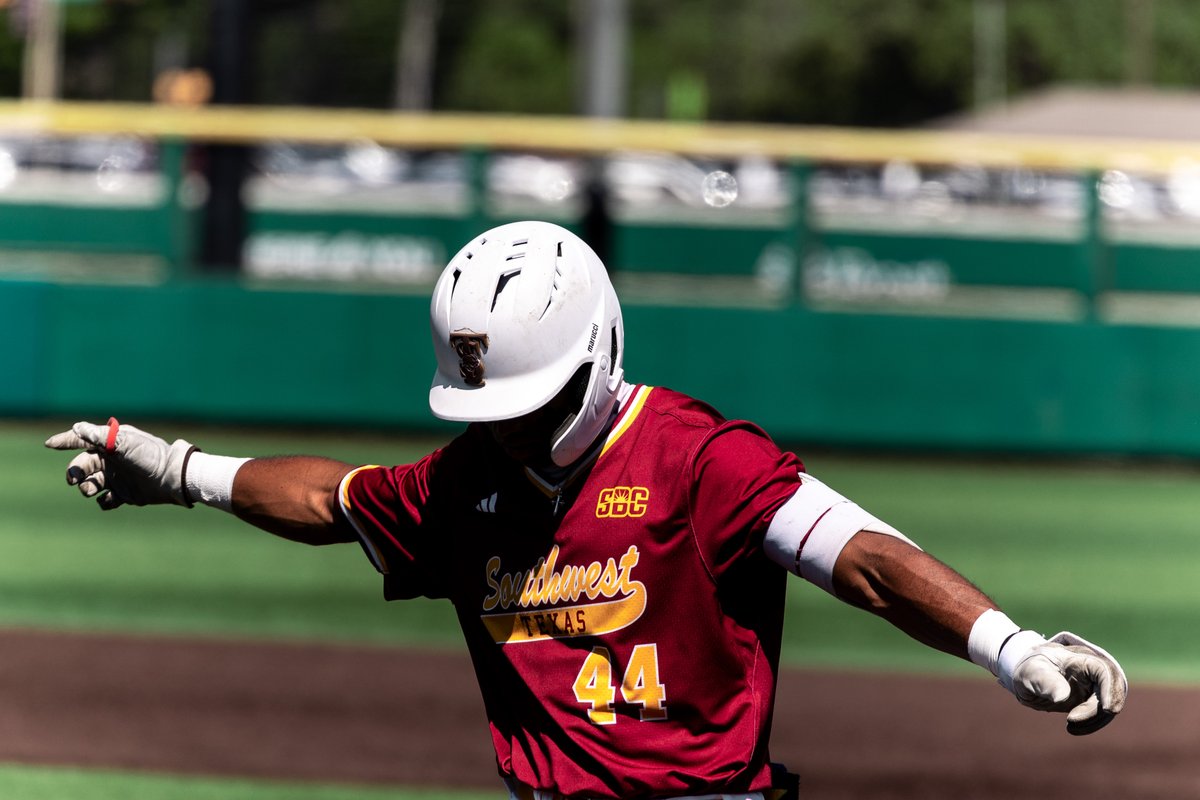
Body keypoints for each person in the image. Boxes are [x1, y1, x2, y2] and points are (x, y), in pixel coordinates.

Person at [46, 220, 1126, 800]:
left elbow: (864, 558)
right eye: (493, 409)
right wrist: (180, 468)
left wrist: (1009, 646)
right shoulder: (462, 478)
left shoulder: (699, 457)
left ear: (600, 356)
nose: (513, 430)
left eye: (536, 402)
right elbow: (332, 498)